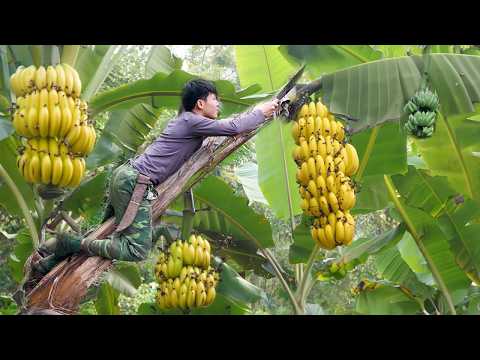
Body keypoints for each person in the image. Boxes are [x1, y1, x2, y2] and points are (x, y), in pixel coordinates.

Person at [29, 79, 280, 278]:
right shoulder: (192, 121)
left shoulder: (186, 121)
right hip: (134, 182)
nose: (219, 105)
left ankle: (46, 265)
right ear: (200, 104)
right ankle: (70, 242)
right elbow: (234, 127)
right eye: (215, 99)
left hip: (126, 176)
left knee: (104, 233)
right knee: (136, 249)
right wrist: (261, 111)